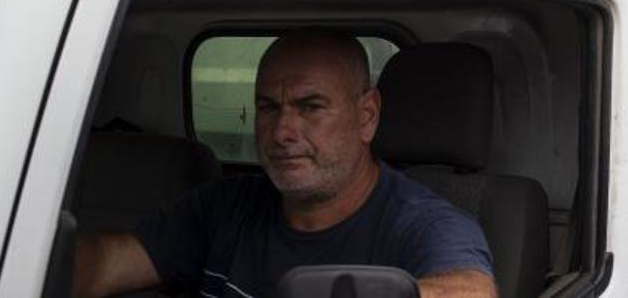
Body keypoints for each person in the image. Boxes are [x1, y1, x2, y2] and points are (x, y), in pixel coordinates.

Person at [72, 29, 497, 298]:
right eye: (268, 107)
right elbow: (108, 264)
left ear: (366, 117)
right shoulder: (226, 206)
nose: (282, 132)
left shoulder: (423, 223)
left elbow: (469, 292)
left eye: (310, 107)